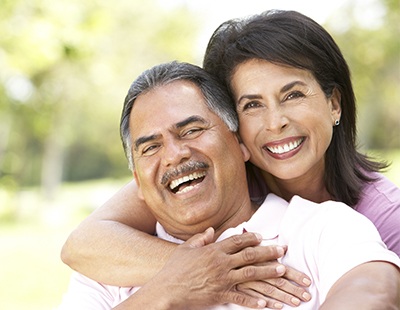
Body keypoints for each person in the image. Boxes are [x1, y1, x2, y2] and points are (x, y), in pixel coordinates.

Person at [60, 9, 400, 306]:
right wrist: (190, 273)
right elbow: (81, 244)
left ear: (334, 104)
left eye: (293, 94)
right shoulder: (114, 265)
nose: (275, 121)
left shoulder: (350, 222)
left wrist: (221, 269)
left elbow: (374, 290)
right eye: (252, 104)